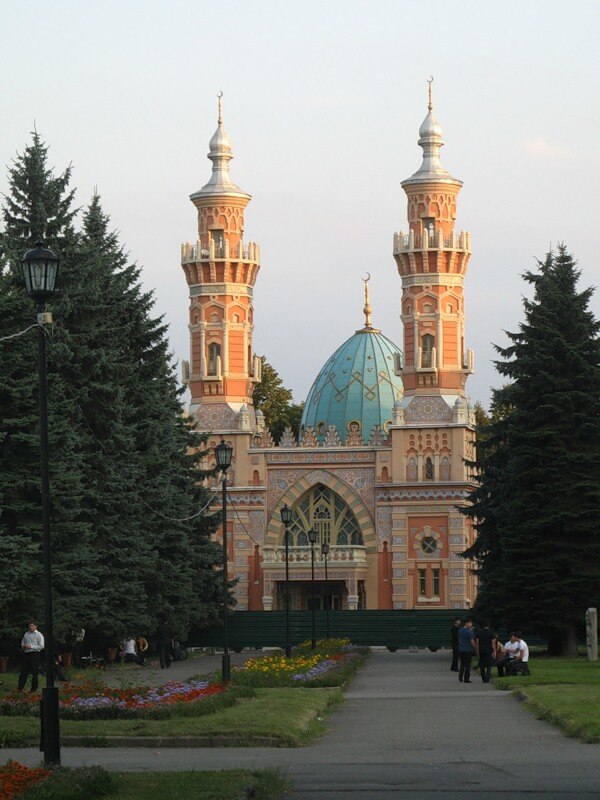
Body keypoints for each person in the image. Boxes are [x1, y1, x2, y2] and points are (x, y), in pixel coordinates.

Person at [17, 621, 44, 692]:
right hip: (27, 654)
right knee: (23, 671)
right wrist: (24, 646)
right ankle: (20, 688)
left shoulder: (38, 634)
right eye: (29, 626)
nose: (30, 627)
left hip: (35, 654)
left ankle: (33, 689)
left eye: (32, 626)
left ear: (35, 626)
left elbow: (41, 646)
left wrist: (31, 647)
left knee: (35, 672)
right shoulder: (26, 634)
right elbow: (22, 642)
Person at [457, 618, 477, 683]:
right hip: (468, 650)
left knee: (462, 664)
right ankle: (466, 679)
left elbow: (459, 640)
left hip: (461, 649)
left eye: (471, 623)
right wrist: (476, 648)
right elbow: (472, 641)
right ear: (466, 623)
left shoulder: (460, 630)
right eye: (470, 623)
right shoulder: (470, 632)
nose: (471, 625)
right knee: (468, 665)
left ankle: (460, 676)